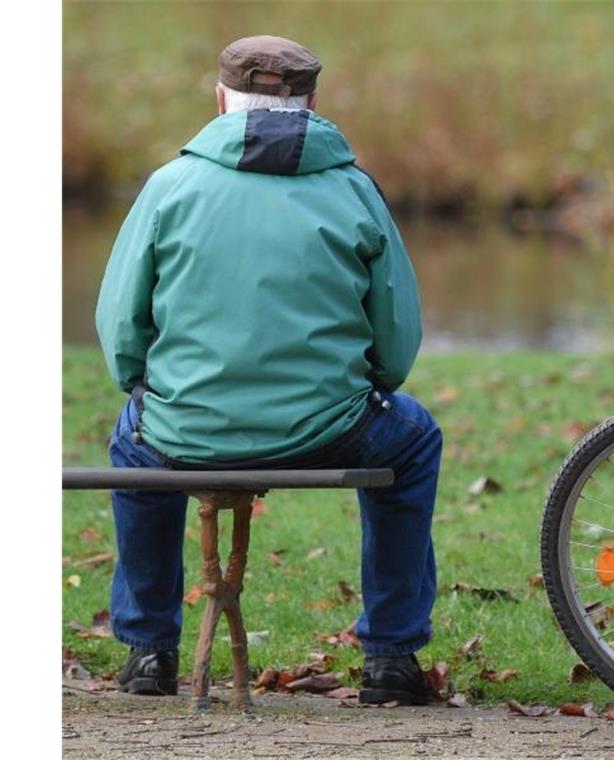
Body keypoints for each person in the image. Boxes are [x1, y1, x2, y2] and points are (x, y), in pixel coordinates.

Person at [95, 35, 440, 705]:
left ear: (221, 100)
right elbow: (396, 340)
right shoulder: (354, 190)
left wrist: (146, 387)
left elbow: (120, 330)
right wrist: (368, 387)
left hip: (182, 427)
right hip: (330, 430)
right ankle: (392, 659)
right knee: (414, 437)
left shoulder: (170, 186)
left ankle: (148, 650)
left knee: (133, 440)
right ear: (313, 104)